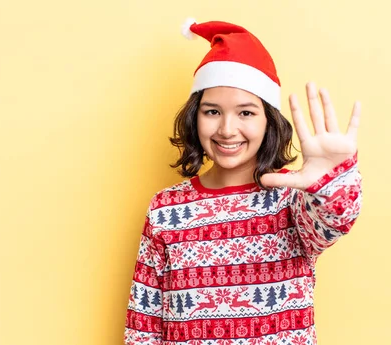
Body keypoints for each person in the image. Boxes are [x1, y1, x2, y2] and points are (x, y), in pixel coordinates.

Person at [124, 18, 362, 345]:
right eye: (212, 112)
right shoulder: (165, 209)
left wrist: (334, 180)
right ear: (195, 117)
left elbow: (336, 219)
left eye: (246, 113)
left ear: (269, 120)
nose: (226, 129)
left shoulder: (292, 200)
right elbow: (143, 324)